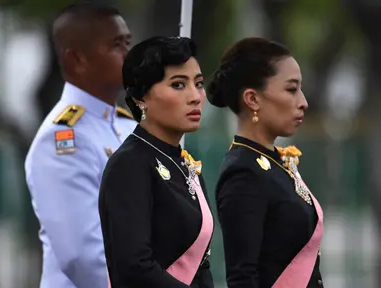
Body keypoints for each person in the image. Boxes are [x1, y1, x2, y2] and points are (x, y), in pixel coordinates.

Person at [24, 3, 136, 288]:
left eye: (128, 43)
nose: (130, 55)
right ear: (77, 60)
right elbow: (84, 258)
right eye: (116, 46)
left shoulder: (129, 126)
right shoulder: (63, 140)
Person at [207, 37, 324, 288]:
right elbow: (242, 278)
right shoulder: (243, 172)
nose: (303, 101)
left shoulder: (278, 163)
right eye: (291, 89)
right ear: (253, 99)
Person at [98, 36, 214, 288]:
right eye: (179, 85)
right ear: (141, 97)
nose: (196, 97)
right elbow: (133, 269)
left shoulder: (185, 164)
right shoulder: (130, 165)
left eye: (199, 83)